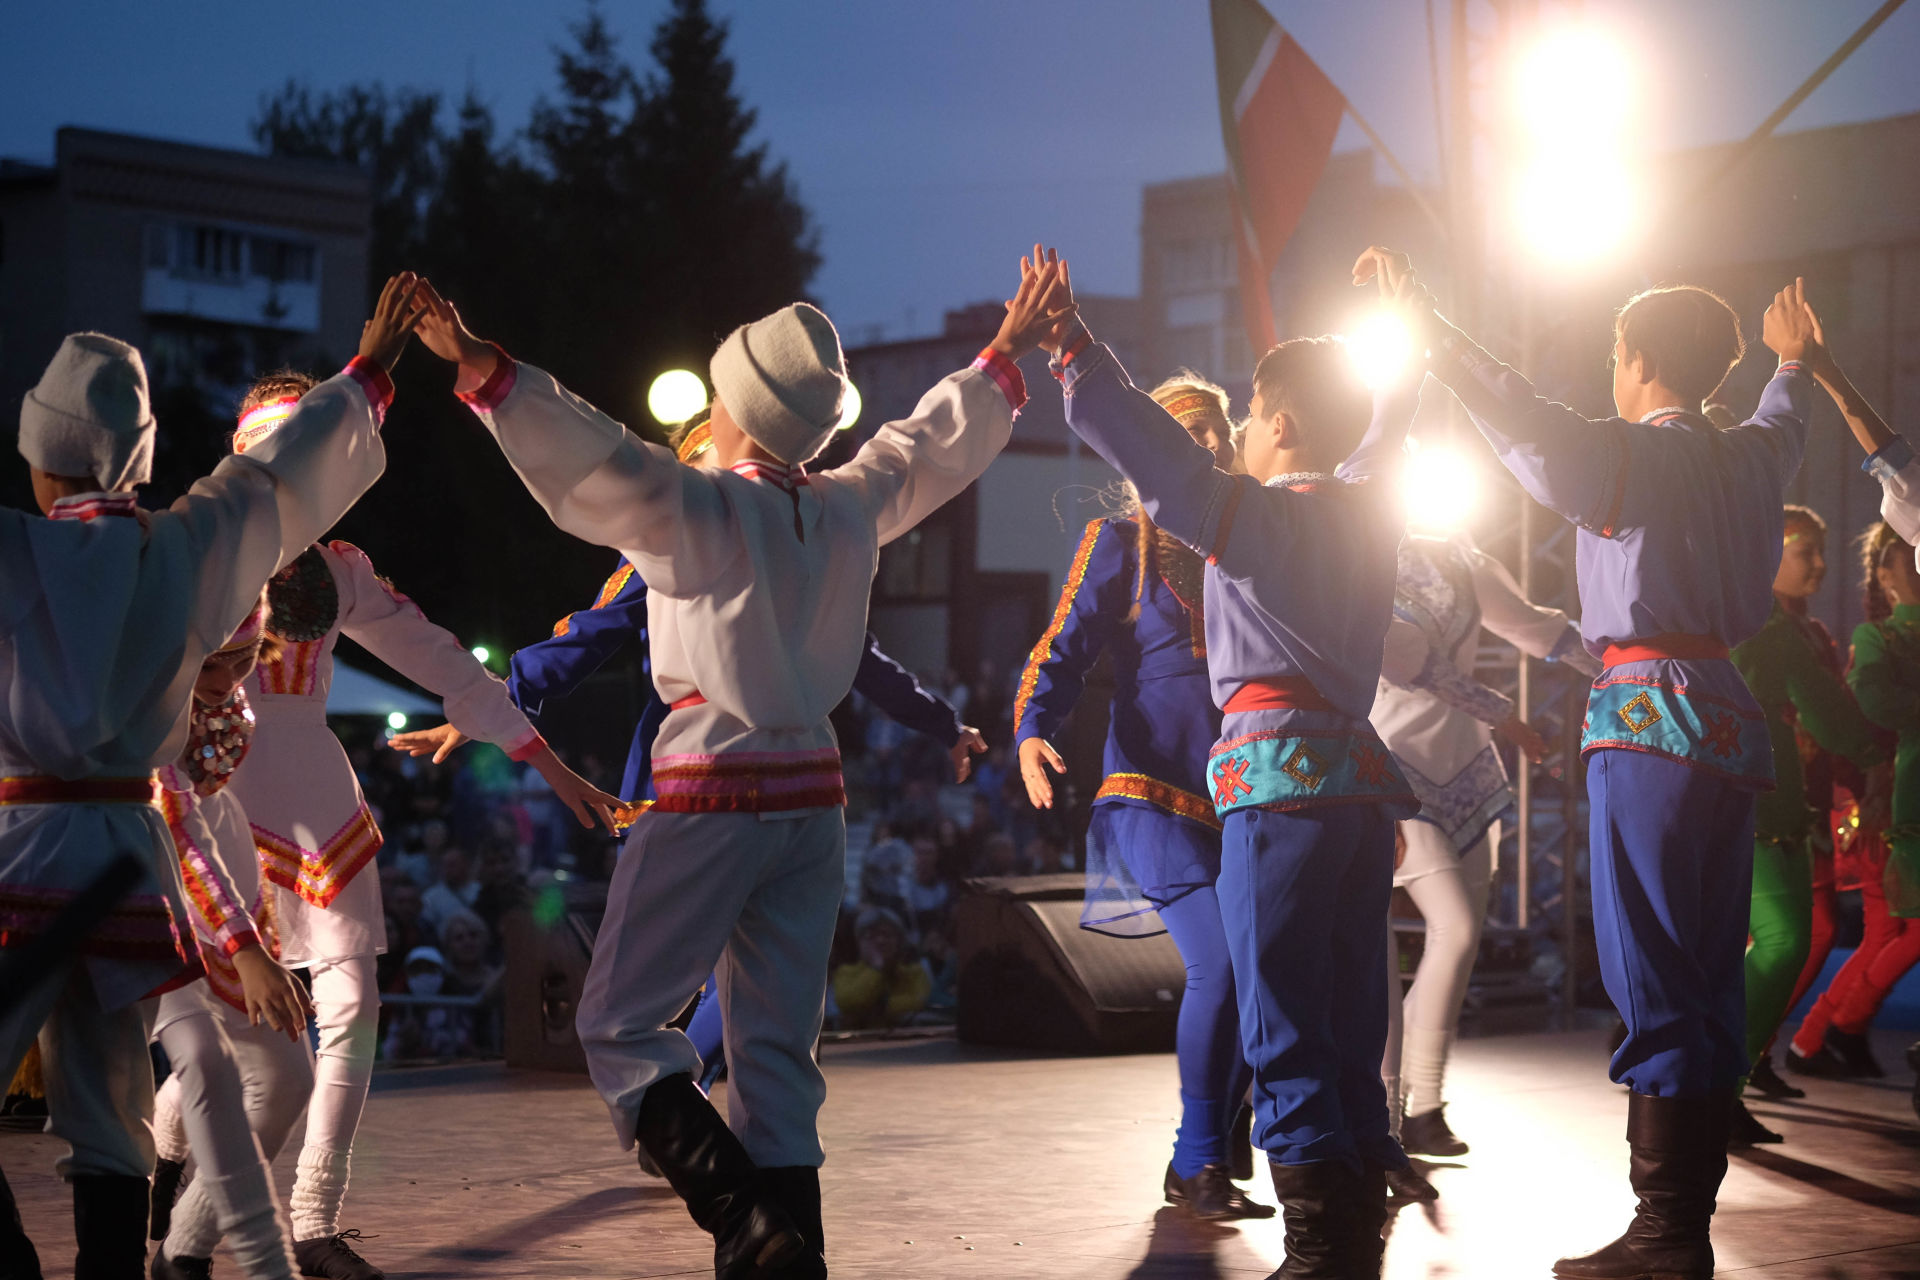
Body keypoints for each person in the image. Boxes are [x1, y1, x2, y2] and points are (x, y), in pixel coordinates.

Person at [407, 251, 1069, 1279]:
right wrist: (1001, 355)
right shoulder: (848, 503)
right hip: (815, 795)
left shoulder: (703, 506)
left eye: (718, 397)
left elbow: (590, 452)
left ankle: (741, 1217)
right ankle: (786, 1257)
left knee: (617, 1023)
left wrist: (484, 364)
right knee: (773, 1055)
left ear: (741, 413)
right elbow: (923, 445)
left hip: (709, 786)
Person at [1409, 254, 1815, 1280]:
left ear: (1636, 363)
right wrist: (1792, 363)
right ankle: (1682, 1221)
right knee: (1709, 963)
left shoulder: (1637, 456)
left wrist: (1434, 333)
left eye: (1615, 357)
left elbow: (1522, 415)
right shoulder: (1750, 457)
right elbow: (1786, 419)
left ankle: (1666, 1229)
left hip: (1650, 722)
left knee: (1656, 968)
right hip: (1726, 721)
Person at [0, 275, 415, 1277]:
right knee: (109, 1117)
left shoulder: (13, 551)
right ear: (136, 456)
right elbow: (284, 468)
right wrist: (366, 373)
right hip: (129, 866)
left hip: (18, 859)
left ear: (41, 457)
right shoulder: (187, 542)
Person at [1048, 248, 1426, 1275]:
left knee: (1280, 1003)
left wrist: (1072, 345)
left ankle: (1315, 1241)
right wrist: (1409, 342)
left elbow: (1155, 458)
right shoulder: (1373, 508)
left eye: (1252, 417)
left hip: (1282, 785)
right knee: (1352, 1000)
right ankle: (1349, 1217)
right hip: (1357, 790)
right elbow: (1386, 428)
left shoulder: (1256, 518)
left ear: (1285, 426)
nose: (1242, 437)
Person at [221, 368, 620, 1280]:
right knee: (231, 1031)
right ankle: (181, 1181)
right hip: (214, 803)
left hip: (319, 805)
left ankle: (315, 1221)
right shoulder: (201, 553)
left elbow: (447, 663)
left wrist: (550, 766)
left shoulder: (339, 571)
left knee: (353, 1005)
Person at [1014, 372, 1268, 1221]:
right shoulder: (1118, 541)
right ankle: (1195, 1160)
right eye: (1180, 435)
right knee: (1222, 967)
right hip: (1150, 791)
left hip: (1244, 790)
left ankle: (1224, 1134)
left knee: (1259, 971)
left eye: (1211, 438)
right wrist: (1031, 731)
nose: (1198, 449)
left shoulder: (1249, 543)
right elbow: (1060, 649)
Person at [1371, 531, 1597, 1167]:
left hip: (1467, 766)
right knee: (1458, 928)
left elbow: (1540, 630)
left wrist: (1628, 663)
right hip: (1391, 761)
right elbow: (1407, 660)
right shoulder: (1358, 549)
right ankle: (1387, 1112)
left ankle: (1423, 1110)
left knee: (1461, 938)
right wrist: (1508, 714)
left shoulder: (1466, 562)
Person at [148, 602, 320, 1280]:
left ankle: (182, 1243)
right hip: (151, 895)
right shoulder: (145, 700)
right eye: (210, 663)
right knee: (117, 1109)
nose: (224, 680)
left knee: (269, 1076)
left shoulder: (229, 649)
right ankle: (174, 1236)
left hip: (223, 883)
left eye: (241, 661)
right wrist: (246, 947)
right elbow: (176, 826)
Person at [1724, 507, 1883, 1142]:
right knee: (1789, 939)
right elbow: (1829, 708)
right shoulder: (1756, 623)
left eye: (1819, 551)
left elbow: (1824, 708)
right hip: (1753, 797)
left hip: (1778, 800)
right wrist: (1880, 755)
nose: (1817, 565)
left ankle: (1714, 1081)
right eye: (1801, 551)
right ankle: (1707, 1079)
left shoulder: (1788, 627)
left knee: (1790, 938)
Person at [1788, 523, 1920, 1076]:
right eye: (1909, 558)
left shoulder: (1816, 632)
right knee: (1885, 929)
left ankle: (1820, 1036)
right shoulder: (1878, 637)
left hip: (1865, 790)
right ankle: (1821, 1033)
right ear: (1885, 574)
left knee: (1883, 930)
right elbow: (1868, 705)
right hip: (1882, 798)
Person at [829, 907, 931, 1030]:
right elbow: (849, 1002)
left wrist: (877, 1009)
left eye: (887, 935)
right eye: (871, 936)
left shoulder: (915, 973)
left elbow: (918, 1001)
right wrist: (876, 968)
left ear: (899, 941)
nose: (880, 941)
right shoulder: (846, 973)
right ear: (859, 943)